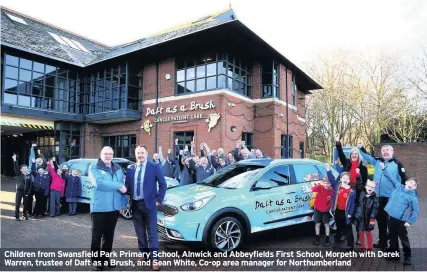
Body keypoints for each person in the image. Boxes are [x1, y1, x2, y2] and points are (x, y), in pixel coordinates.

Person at [358, 142, 408, 250]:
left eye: (387, 150)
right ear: (381, 153)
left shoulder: (398, 164)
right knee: (381, 221)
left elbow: (404, 181)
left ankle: (391, 245)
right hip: (377, 197)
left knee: (392, 223)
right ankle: (383, 242)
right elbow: (366, 156)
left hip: (391, 199)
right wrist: (361, 147)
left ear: (392, 152)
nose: (385, 152)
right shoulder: (377, 161)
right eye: (383, 151)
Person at [125, 146, 166, 271]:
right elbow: (127, 187)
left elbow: (163, 184)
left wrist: (158, 200)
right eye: (138, 153)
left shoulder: (154, 167)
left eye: (142, 153)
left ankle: (155, 259)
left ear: (146, 154)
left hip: (150, 205)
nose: (140, 155)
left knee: (152, 233)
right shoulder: (130, 168)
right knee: (140, 232)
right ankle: (144, 255)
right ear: (135, 155)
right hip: (136, 205)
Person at [88, 146, 127, 271]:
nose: (108, 156)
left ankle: (105, 259)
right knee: (96, 236)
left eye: (110, 154)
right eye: (105, 153)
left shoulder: (118, 168)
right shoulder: (94, 167)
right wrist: (119, 185)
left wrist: (122, 205)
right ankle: (95, 261)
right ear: (101, 154)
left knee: (109, 236)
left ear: (113, 155)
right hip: (99, 207)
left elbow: (123, 189)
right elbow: (99, 184)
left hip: (114, 208)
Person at [335, 134, 368, 245]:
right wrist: (338, 142)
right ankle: (346, 233)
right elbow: (340, 153)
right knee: (345, 214)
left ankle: (358, 235)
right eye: (352, 154)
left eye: (356, 154)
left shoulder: (363, 168)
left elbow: (364, 183)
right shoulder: (347, 163)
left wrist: (359, 185)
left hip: (358, 193)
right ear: (350, 156)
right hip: (346, 192)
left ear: (359, 156)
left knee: (358, 215)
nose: (354, 155)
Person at [383, 166, 419, 265]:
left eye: (414, 185)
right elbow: (391, 177)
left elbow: (415, 211)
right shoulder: (398, 186)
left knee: (404, 240)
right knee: (392, 238)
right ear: (406, 182)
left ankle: (407, 257)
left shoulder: (413, 197)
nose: (412, 184)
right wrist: (384, 168)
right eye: (411, 182)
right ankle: (395, 255)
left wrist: (409, 221)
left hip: (401, 221)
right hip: (391, 218)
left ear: (415, 188)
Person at [326, 164, 356, 251]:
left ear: (349, 180)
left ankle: (350, 246)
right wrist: (328, 170)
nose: (345, 180)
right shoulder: (337, 186)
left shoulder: (352, 191)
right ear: (341, 179)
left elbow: (352, 204)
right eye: (344, 178)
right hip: (338, 211)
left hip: (346, 213)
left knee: (348, 229)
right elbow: (331, 180)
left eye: (347, 178)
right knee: (338, 228)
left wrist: (350, 213)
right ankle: (337, 241)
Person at [302, 177, 334, 247]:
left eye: (328, 183)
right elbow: (311, 189)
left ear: (330, 183)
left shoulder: (332, 190)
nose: (326, 185)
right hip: (318, 209)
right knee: (317, 224)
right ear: (322, 182)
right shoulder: (320, 187)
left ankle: (327, 240)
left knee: (326, 224)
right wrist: (307, 186)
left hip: (326, 210)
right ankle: (317, 238)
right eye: (324, 183)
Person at [353, 180, 379, 252]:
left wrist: (372, 219)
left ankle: (370, 248)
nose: (370, 188)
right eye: (369, 186)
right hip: (361, 217)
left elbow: (375, 209)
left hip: (369, 218)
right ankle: (363, 247)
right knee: (361, 232)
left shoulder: (375, 197)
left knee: (368, 233)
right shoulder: (362, 193)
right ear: (365, 187)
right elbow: (359, 204)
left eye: (372, 187)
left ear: (374, 189)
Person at [12, 154, 33, 221]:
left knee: (25, 204)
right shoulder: (19, 175)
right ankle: (17, 215)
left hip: (25, 192)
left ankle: (24, 214)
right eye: (23, 169)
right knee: (17, 204)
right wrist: (15, 160)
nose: (25, 170)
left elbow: (30, 186)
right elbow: (16, 167)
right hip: (19, 191)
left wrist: (28, 193)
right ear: (21, 170)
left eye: (26, 169)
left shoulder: (29, 176)